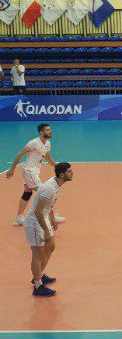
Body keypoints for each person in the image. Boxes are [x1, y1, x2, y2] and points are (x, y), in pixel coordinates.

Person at [24, 162, 73, 297]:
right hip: (34, 221)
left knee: (50, 246)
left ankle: (39, 275)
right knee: (37, 253)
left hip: (43, 218)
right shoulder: (49, 188)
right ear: (62, 175)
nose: (72, 174)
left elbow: (49, 205)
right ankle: (38, 286)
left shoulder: (57, 185)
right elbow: (38, 211)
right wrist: (46, 230)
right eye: (69, 172)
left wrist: (52, 219)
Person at [6, 123, 65, 226]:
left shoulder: (48, 143)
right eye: (47, 130)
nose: (50, 131)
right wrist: (12, 169)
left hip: (35, 171)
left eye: (50, 129)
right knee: (45, 193)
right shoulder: (33, 143)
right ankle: (51, 217)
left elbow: (47, 157)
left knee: (27, 193)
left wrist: (55, 165)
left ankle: (18, 218)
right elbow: (19, 155)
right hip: (30, 171)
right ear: (41, 132)